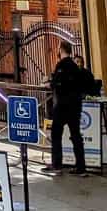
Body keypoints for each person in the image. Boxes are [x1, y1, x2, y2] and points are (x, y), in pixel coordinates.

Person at [43, 40, 89, 176]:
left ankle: (57, 164)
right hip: (75, 106)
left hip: (62, 106)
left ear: (61, 50)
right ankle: (81, 167)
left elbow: (55, 84)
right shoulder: (75, 66)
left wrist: (48, 84)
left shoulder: (61, 65)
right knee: (76, 135)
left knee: (56, 134)